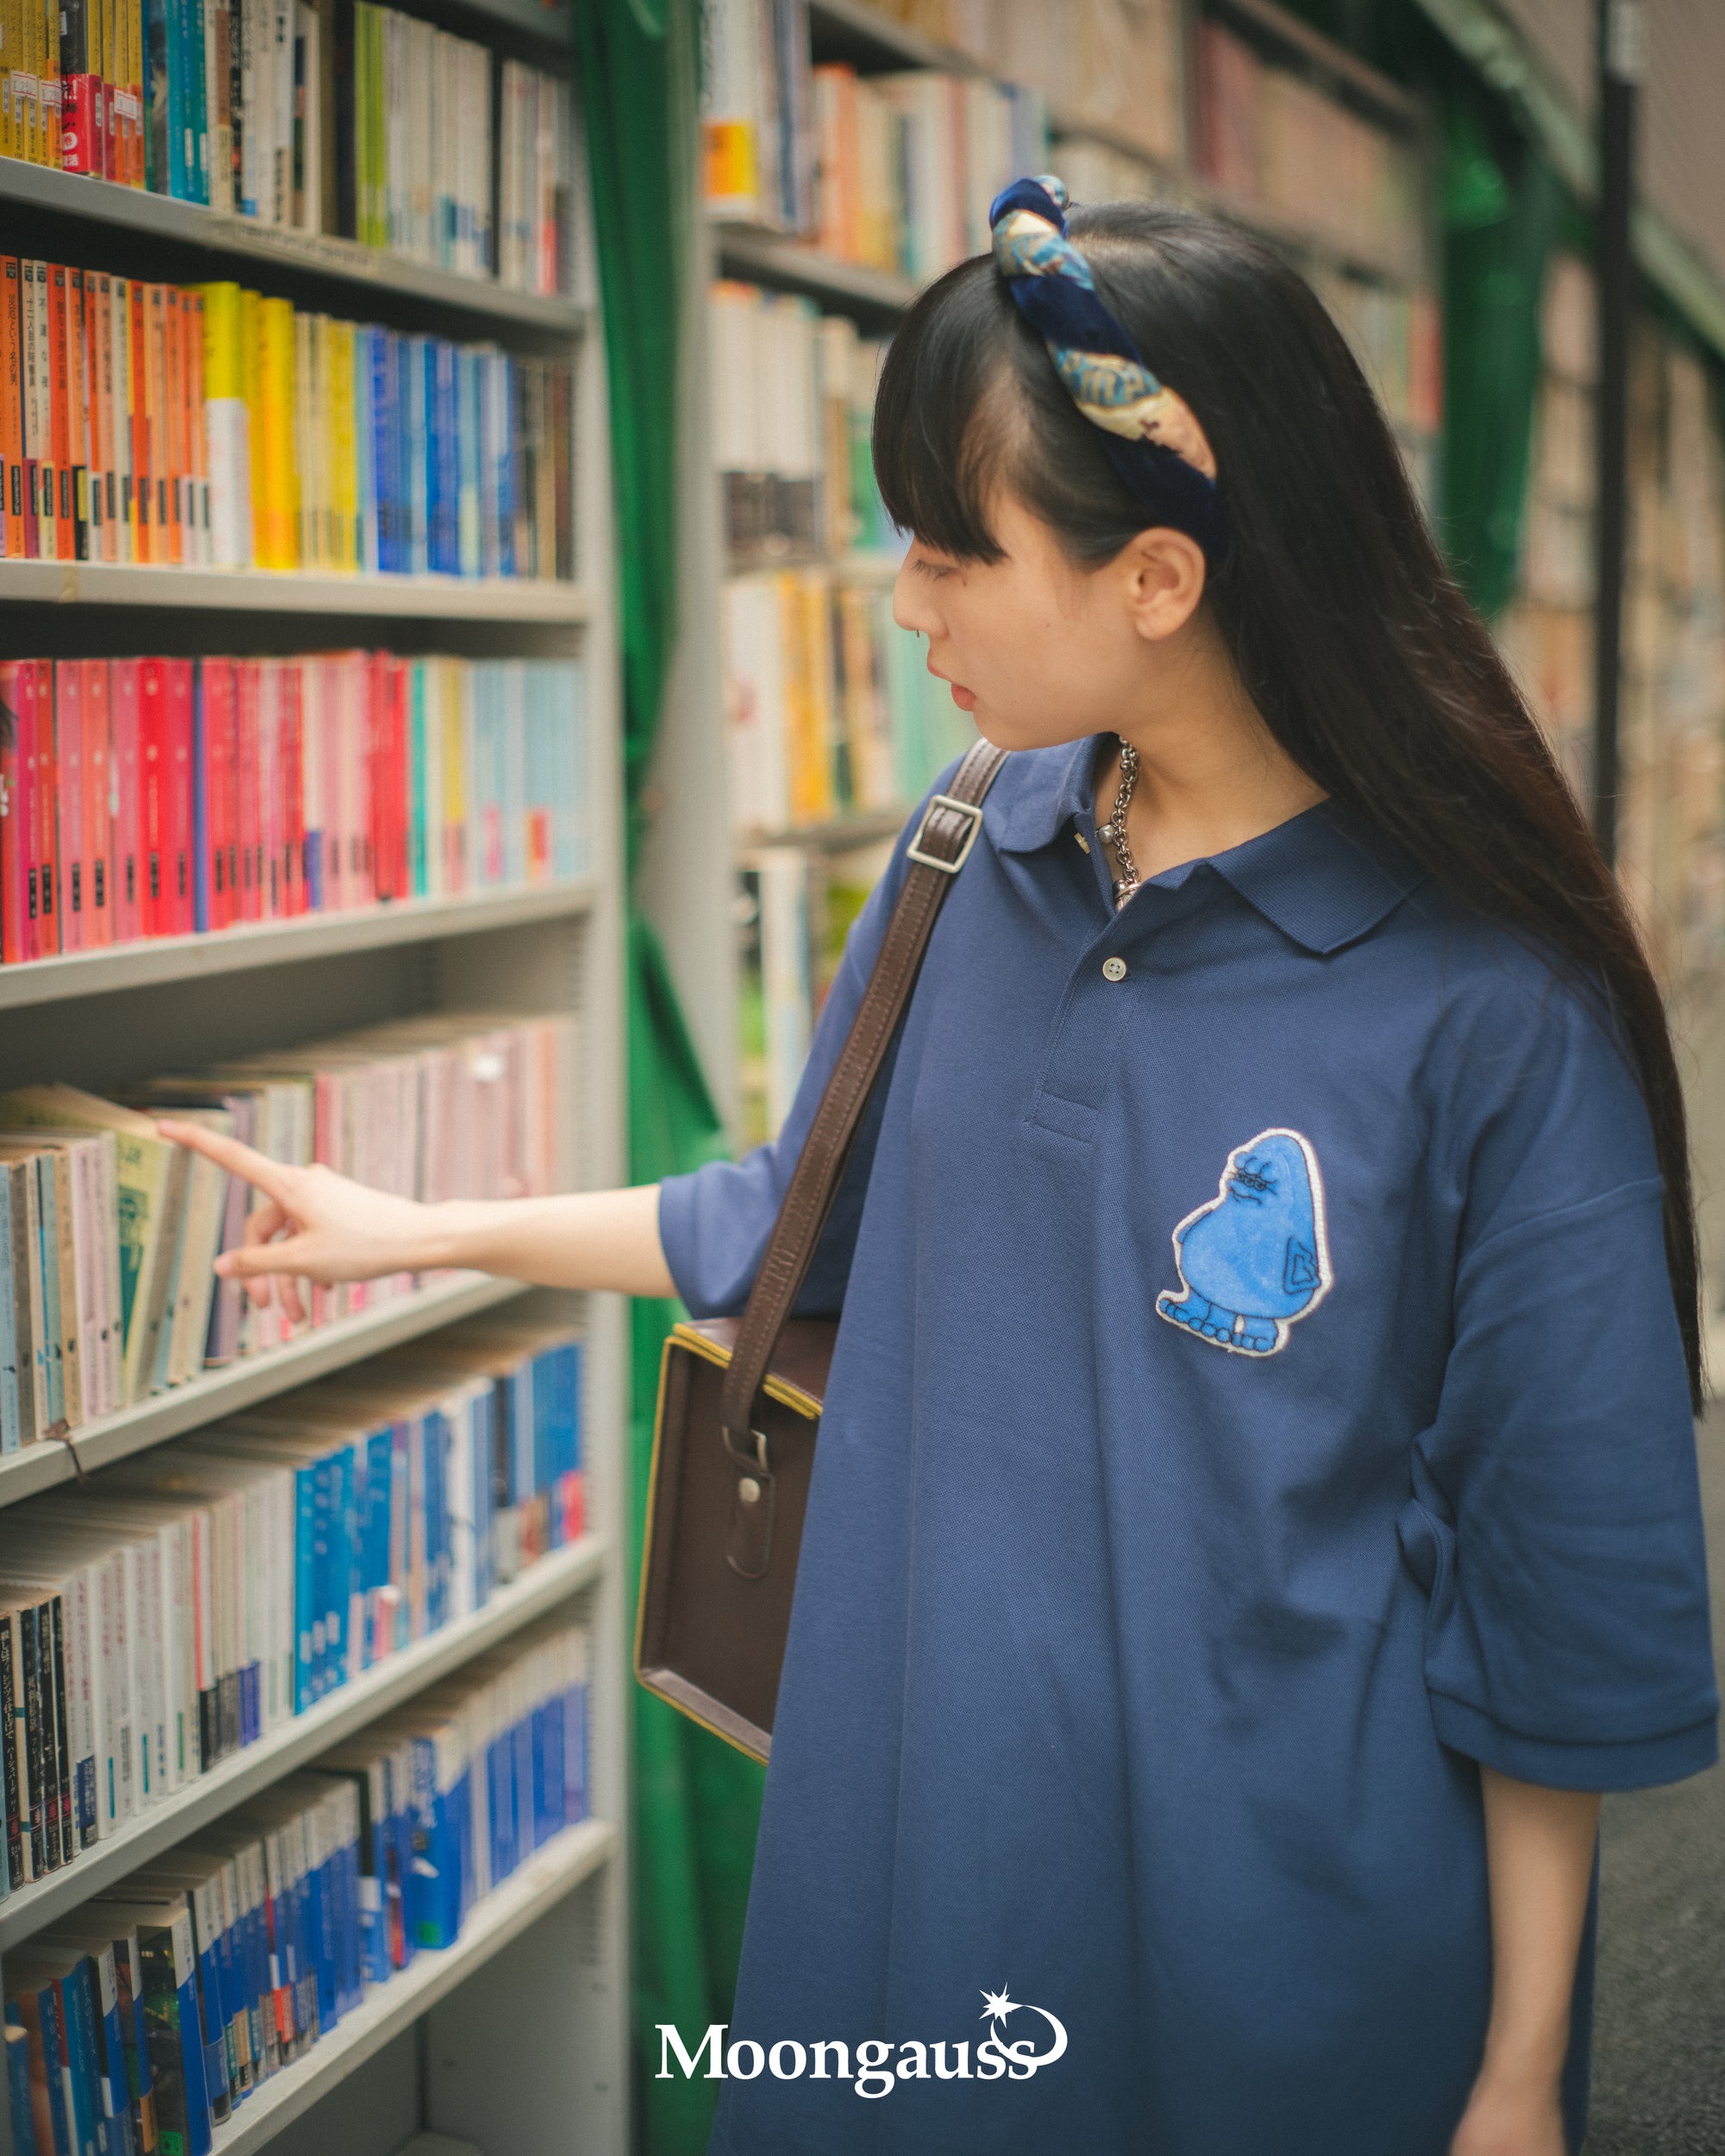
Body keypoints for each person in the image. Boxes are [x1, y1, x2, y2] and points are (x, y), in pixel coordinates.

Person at [164, 179, 1718, 2156]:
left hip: (1286, 1967)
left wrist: (1512, 2072)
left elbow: (1553, 1573)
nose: (902, 609)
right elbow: (799, 1217)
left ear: (1156, 578)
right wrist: (417, 1227)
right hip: (903, 1891)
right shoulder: (964, 859)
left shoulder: (1495, 1007)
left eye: (945, 549)